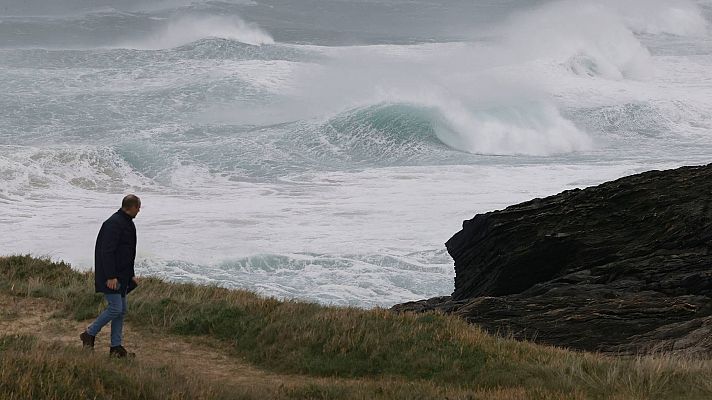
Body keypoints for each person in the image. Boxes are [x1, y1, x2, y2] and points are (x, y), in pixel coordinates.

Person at [80, 194, 141, 358]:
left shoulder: (127, 223)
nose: (139, 211)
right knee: (116, 308)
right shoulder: (113, 224)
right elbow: (106, 252)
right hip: (111, 276)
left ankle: (116, 348)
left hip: (122, 275)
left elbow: (128, 253)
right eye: (138, 207)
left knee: (121, 311)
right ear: (133, 207)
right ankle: (89, 334)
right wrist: (111, 276)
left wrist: (131, 275)